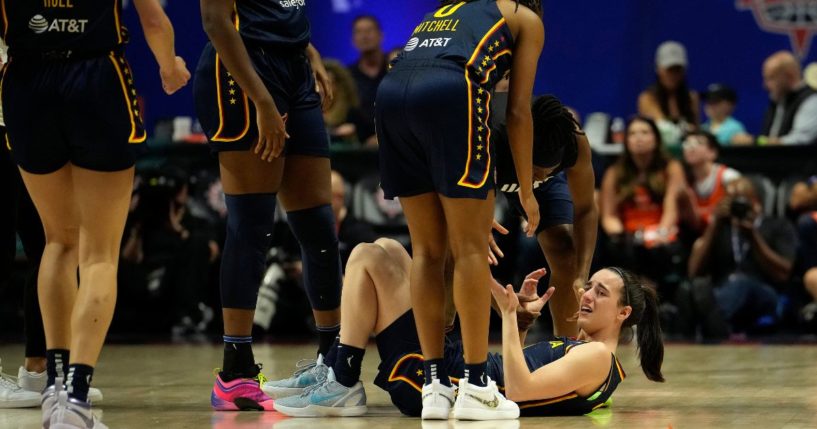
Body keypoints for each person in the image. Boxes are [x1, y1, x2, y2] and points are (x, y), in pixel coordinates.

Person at [1, 0, 190, 427]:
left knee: (57, 241)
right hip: (97, 80)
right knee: (100, 254)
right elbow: (154, 18)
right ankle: (77, 400)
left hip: (26, 83)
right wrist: (169, 67)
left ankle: (53, 387)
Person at [372, 0, 544, 420]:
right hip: (451, 92)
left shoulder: (448, 9)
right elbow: (518, 111)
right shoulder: (525, 17)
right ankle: (476, 384)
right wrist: (526, 188)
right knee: (468, 249)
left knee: (428, 251)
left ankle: (434, 387)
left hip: (390, 95)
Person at [272, 239, 664, 418]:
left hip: (450, 384)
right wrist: (523, 321)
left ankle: (341, 378)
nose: (588, 295)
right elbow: (521, 376)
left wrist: (508, 316)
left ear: (623, 313)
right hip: (465, 370)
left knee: (368, 257)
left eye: (601, 292)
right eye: (590, 286)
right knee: (390, 250)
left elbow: (520, 391)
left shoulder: (597, 356)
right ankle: (339, 372)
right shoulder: (589, 352)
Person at [195, 0, 343, 412]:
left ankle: (331, 362)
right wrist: (260, 101)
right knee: (252, 225)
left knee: (319, 225)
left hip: (293, 66)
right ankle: (235, 372)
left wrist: (308, 51)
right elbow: (215, 21)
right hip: (242, 70)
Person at [492, 92, 598, 337]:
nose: (537, 177)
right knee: (462, 252)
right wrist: (499, 299)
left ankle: (566, 349)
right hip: (481, 169)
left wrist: (581, 275)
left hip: (532, 187)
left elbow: (586, 209)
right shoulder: (493, 135)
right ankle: (451, 351)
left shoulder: (573, 141)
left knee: (567, 254)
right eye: (533, 171)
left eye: (544, 172)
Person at [688, 177, 796, 334]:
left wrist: (753, 237)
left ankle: (712, 324)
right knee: (688, 290)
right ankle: (716, 325)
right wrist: (714, 225)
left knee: (740, 284)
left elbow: (784, 274)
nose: (736, 206)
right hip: (722, 290)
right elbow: (694, 272)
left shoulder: (777, 225)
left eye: (741, 200)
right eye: (730, 201)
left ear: (756, 202)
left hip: (765, 292)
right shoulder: (721, 229)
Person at [600, 116, 687, 285]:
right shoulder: (615, 172)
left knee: (659, 251)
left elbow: (671, 209)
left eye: (645, 132)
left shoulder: (671, 168)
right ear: (626, 141)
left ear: (656, 139)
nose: (638, 138)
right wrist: (621, 235)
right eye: (632, 134)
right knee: (619, 248)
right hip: (628, 236)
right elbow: (609, 216)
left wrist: (660, 234)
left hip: (661, 233)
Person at [638, 41, 700, 149]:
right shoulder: (647, 99)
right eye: (669, 70)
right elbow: (664, 130)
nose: (673, 75)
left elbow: (696, 131)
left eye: (678, 70)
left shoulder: (691, 98)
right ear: (658, 69)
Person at [680, 131, 741, 232]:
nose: (690, 148)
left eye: (698, 143)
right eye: (687, 144)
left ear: (712, 153)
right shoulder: (682, 179)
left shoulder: (729, 177)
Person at [759, 51, 817, 145]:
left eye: (771, 78)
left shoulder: (812, 101)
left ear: (789, 75)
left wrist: (758, 142)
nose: (765, 85)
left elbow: (800, 140)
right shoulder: (777, 101)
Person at [347, 15, 387, 145]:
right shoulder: (347, 76)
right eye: (359, 32)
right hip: (359, 149)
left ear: (380, 35)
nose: (364, 36)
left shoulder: (396, 69)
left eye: (369, 31)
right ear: (353, 40)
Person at [322, 60, 370, 145]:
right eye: (318, 83)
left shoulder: (352, 114)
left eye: (328, 83)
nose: (321, 89)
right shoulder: (309, 114)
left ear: (340, 85)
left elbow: (369, 141)